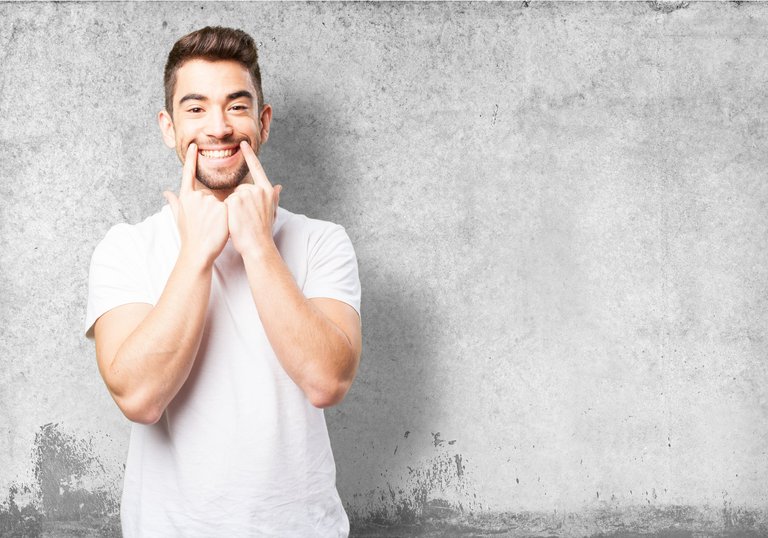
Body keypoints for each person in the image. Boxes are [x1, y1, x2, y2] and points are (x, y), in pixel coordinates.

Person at [84, 26, 362, 537]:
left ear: (263, 121)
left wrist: (257, 244)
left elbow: (327, 381)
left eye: (237, 106)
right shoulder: (125, 247)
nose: (218, 128)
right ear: (169, 127)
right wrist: (196, 255)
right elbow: (140, 399)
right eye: (195, 109)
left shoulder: (323, 241)